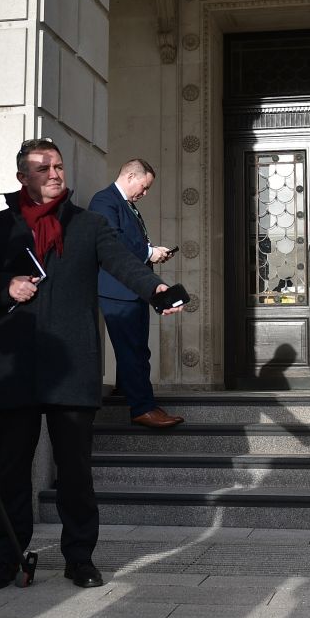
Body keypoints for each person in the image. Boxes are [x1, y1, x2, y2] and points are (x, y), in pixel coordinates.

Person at [0, 138, 180, 591]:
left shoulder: (90, 224)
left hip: (73, 367)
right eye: (43, 168)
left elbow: (124, 264)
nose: (55, 174)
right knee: (11, 472)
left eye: (58, 166)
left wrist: (157, 291)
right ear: (23, 177)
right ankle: (7, 557)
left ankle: (79, 557)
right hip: (16, 367)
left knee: (76, 472)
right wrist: (6, 287)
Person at [89, 159, 183, 429]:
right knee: (133, 349)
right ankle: (142, 408)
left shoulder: (125, 205)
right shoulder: (104, 201)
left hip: (131, 288)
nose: (145, 193)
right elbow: (112, 244)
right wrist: (148, 253)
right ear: (130, 176)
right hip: (117, 290)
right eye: (143, 187)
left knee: (137, 348)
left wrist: (152, 251)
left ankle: (133, 394)